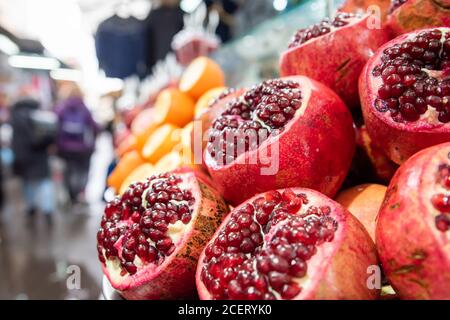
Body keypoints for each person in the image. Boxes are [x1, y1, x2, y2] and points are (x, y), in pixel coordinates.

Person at [10, 95, 56, 223]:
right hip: (38, 155)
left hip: (21, 156)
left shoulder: (15, 117)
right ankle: (48, 210)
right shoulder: (38, 117)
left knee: (26, 182)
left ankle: (31, 207)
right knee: (44, 182)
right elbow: (43, 137)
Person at [55, 86, 98, 207]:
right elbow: (94, 127)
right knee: (83, 171)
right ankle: (79, 192)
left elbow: (55, 127)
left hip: (65, 148)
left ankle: (72, 195)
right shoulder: (84, 109)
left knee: (69, 170)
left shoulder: (61, 108)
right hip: (84, 148)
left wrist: (56, 144)